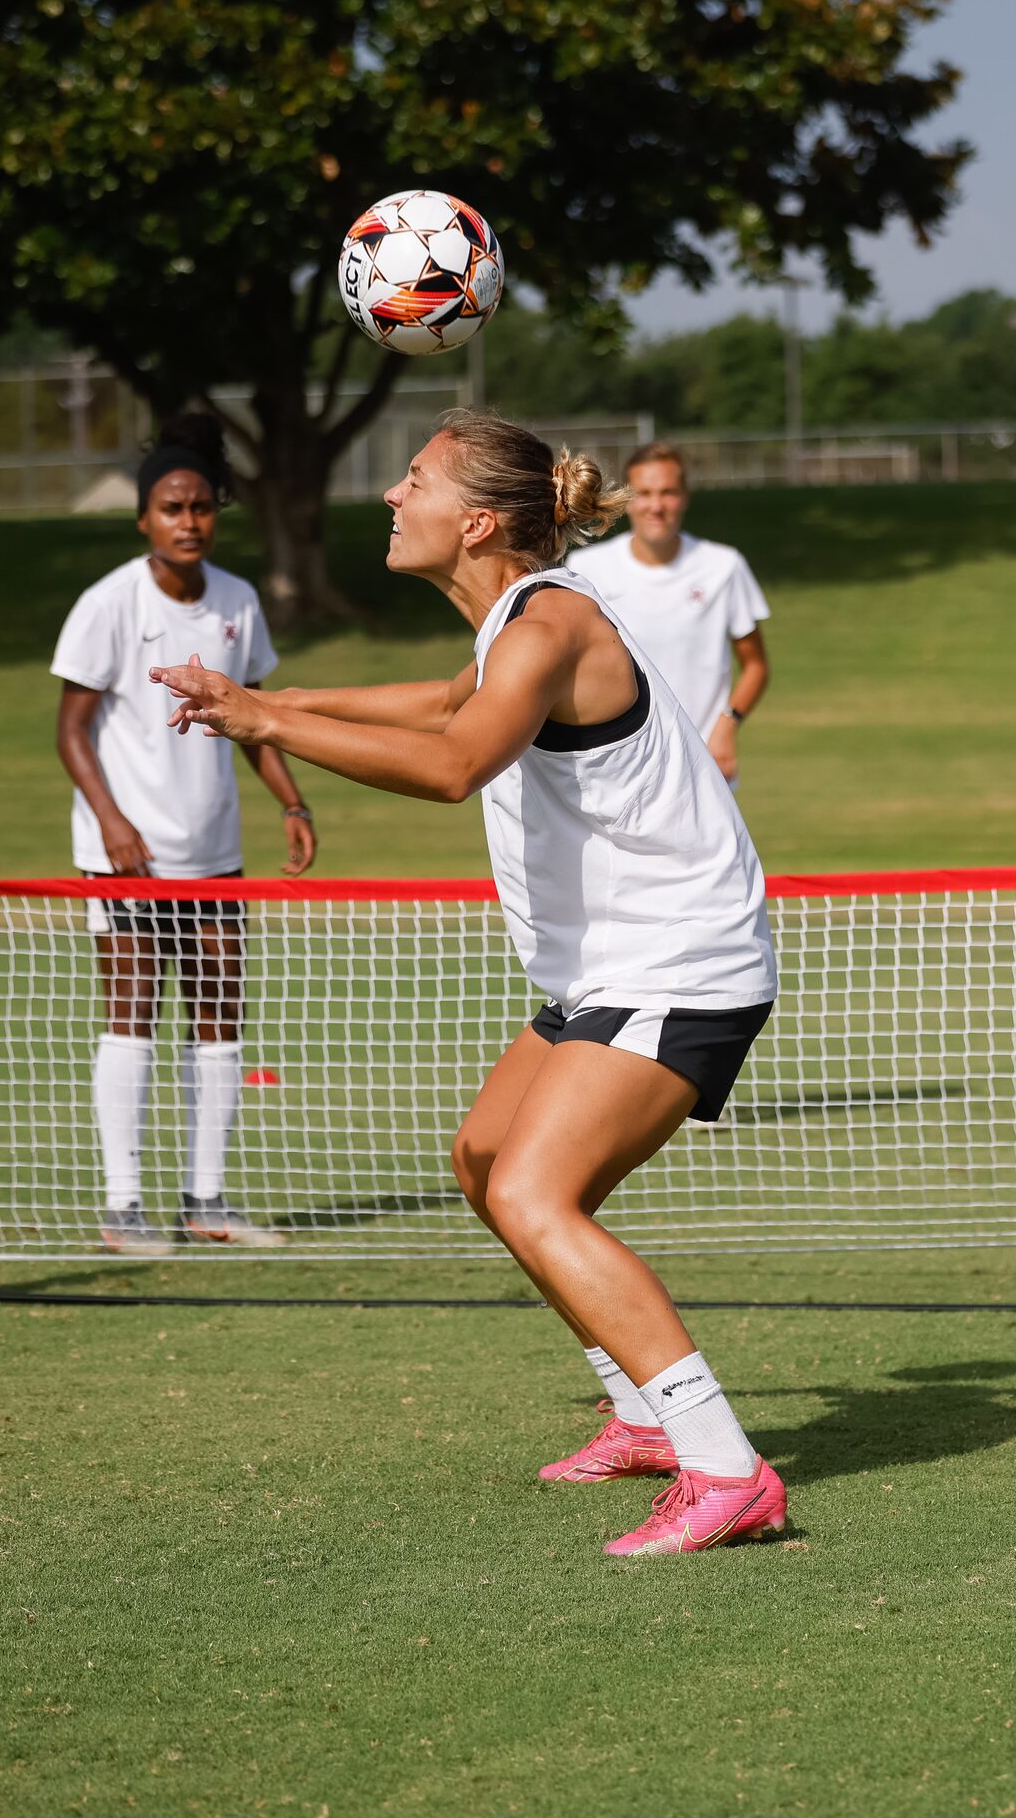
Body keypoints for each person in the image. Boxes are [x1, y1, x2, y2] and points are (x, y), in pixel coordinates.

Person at [150, 408, 790, 1552]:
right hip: (612, 968)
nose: (392, 497)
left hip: (681, 964)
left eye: (412, 481)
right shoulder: (513, 626)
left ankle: (722, 1466)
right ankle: (644, 1415)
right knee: (485, 1158)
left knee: (535, 1197)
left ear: (479, 519)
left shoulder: (549, 623)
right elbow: (444, 707)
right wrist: (264, 708)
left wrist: (263, 718)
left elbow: (452, 764)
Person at [51, 412, 317, 1256]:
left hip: (216, 856)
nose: (189, 521)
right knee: (132, 1018)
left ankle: (207, 1201)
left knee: (220, 1021)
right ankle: (123, 1209)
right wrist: (113, 821)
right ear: (144, 519)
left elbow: (258, 721)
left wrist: (294, 805)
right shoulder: (109, 604)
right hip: (128, 858)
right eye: (172, 508)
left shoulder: (238, 602)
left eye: (201, 506)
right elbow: (70, 731)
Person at [566, 442, 771, 782]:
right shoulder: (585, 569)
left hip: (701, 767)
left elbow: (756, 666)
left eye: (668, 493)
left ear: (685, 496)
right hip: (616, 770)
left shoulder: (724, 566)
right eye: (644, 493)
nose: (656, 506)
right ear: (627, 499)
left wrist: (726, 728)